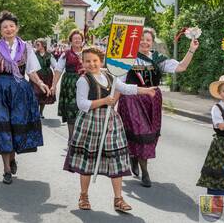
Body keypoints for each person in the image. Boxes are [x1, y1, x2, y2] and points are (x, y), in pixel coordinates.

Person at [63, 47, 156, 212]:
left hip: (110, 121)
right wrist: (105, 100)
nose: (92, 64)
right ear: (82, 63)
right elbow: (82, 105)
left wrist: (146, 90)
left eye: (95, 60)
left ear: (101, 61)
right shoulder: (83, 80)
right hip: (90, 122)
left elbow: (126, 88)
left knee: (117, 158)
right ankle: (83, 196)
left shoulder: (109, 76)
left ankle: (118, 199)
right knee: (88, 160)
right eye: (88, 61)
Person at [0, 11, 50, 185]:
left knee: (15, 127)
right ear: (0, 30)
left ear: (17, 28)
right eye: (5, 26)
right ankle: (6, 168)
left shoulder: (26, 48)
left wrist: (41, 83)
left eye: (11, 26)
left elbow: (31, 71)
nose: (8, 29)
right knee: (3, 127)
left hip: (20, 91)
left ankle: (12, 158)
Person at [118, 28, 199, 187]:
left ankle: (135, 157)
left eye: (148, 40)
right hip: (132, 99)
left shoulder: (158, 59)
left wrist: (191, 50)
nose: (144, 42)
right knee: (142, 133)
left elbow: (181, 67)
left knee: (149, 135)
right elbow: (118, 83)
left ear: (152, 42)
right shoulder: (127, 58)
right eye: (141, 39)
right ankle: (145, 171)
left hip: (152, 99)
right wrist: (112, 102)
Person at [51, 29, 85, 141]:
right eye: (75, 38)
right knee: (71, 111)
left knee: (84, 109)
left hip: (85, 83)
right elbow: (58, 70)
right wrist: (54, 85)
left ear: (82, 40)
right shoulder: (65, 54)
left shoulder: (87, 52)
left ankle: (81, 138)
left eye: (79, 38)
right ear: (71, 40)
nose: (77, 40)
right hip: (70, 85)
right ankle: (71, 138)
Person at [32, 38, 56, 118]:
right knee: (35, 94)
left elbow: (54, 65)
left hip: (47, 76)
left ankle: (41, 112)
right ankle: (35, 112)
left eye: (38, 44)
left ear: (43, 45)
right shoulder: (34, 54)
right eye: (36, 44)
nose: (36, 46)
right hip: (37, 76)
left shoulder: (49, 55)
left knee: (43, 94)